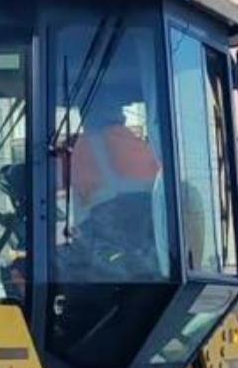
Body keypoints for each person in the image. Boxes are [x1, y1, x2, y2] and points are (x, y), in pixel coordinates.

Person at [64, 109, 165, 278]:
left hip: (107, 237)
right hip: (149, 242)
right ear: (120, 116)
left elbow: (55, 192)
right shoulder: (140, 145)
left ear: (85, 116)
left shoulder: (80, 149)